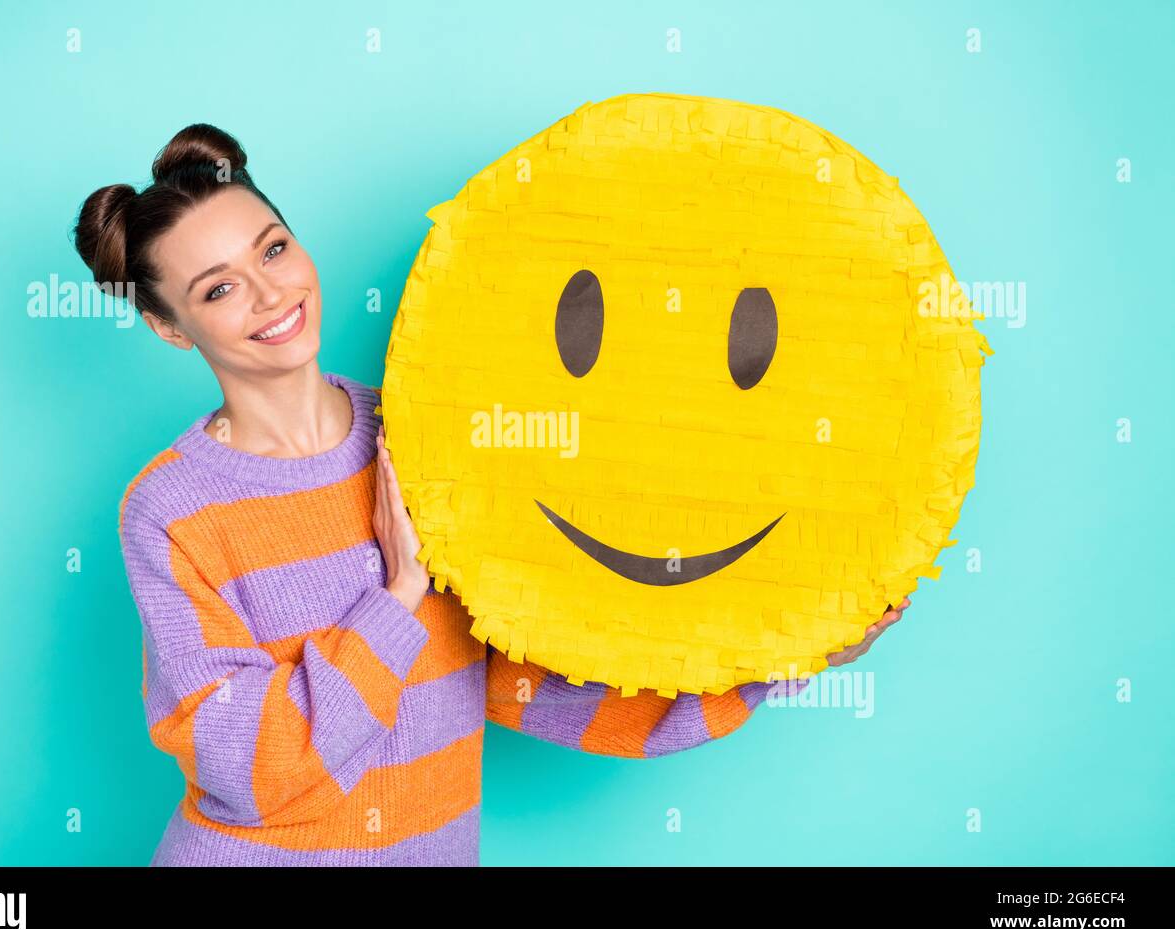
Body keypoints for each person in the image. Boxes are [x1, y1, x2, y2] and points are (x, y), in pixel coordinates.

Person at [73, 123, 907, 866]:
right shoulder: (170, 508)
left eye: (274, 249)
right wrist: (398, 599)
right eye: (217, 288)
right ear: (170, 326)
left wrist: (792, 654)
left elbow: (532, 683)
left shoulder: (427, 432)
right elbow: (245, 771)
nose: (269, 294)